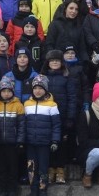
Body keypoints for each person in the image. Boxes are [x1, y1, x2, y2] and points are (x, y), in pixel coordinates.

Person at [24, 74, 61, 196]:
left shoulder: (52, 105)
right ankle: (33, 190)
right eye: (35, 88)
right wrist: (22, 140)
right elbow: (23, 124)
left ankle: (43, 189)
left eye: (40, 88)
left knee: (43, 167)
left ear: (45, 90)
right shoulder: (27, 104)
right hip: (30, 142)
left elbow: (56, 125)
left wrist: (55, 140)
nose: (37, 91)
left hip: (44, 142)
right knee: (31, 167)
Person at [42, 49, 76, 185]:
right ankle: (50, 169)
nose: (55, 62)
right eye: (52, 60)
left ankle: (60, 170)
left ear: (62, 62)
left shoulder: (67, 77)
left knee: (61, 144)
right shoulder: (43, 77)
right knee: (49, 144)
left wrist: (70, 117)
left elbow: (72, 98)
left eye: (57, 60)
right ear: (48, 62)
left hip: (62, 116)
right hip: (46, 116)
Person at [0, 76, 26, 196]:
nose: (6, 93)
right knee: (1, 168)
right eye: (4, 91)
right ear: (0, 92)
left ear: (12, 92)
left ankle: (12, 192)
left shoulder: (18, 105)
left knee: (13, 168)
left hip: (13, 143)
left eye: (9, 91)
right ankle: (2, 191)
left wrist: (20, 140)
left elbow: (22, 125)